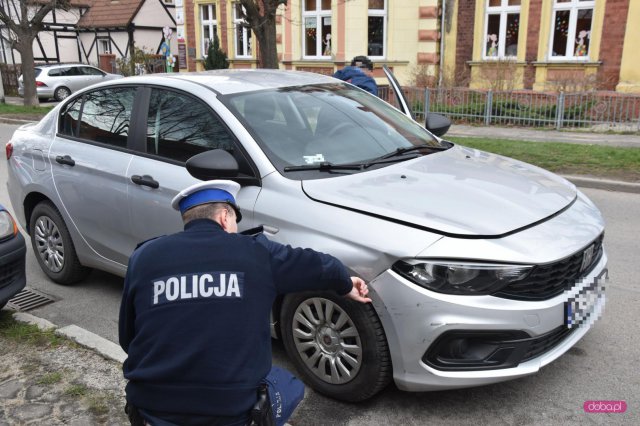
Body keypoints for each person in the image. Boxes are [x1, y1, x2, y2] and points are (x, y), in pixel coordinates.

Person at [119, 180, 371, 426]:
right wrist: (347, 285)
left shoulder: (144, 257)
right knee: (289, 386)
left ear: (188, 218)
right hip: (231, 410)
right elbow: (318, 265)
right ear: (224, 217)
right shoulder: (257, 253)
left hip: (152, 407)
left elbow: (127, 338)